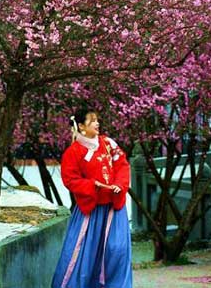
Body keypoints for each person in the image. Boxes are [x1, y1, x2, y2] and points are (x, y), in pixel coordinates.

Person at [52, 109, 133, 288]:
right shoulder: (74, 152)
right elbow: (70, 179)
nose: (97, 124)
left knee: (117, 251)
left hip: (114, 208)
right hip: (91, 210)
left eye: (97, 120)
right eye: (92, 121)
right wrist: (92, 186)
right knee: (83, 255)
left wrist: (119, 184)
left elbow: (122, 165)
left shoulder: (108, 143)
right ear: (81, 126)